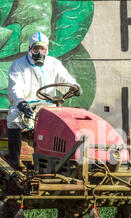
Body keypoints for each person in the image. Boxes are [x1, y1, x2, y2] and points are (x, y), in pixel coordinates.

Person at [6, 32, 81, 169]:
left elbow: (66, 80)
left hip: (49, 105)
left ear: (47, 49)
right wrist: (22, 104)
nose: (39, 53)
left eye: (43, 49)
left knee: (67, 121)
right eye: (36, 49)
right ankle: (14, 161)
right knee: (14, 117)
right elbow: (14, 89)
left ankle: (65, 160)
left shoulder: (54, 64)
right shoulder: (18, 66)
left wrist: (75, 87)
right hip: (26, 106)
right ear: (29, 48)